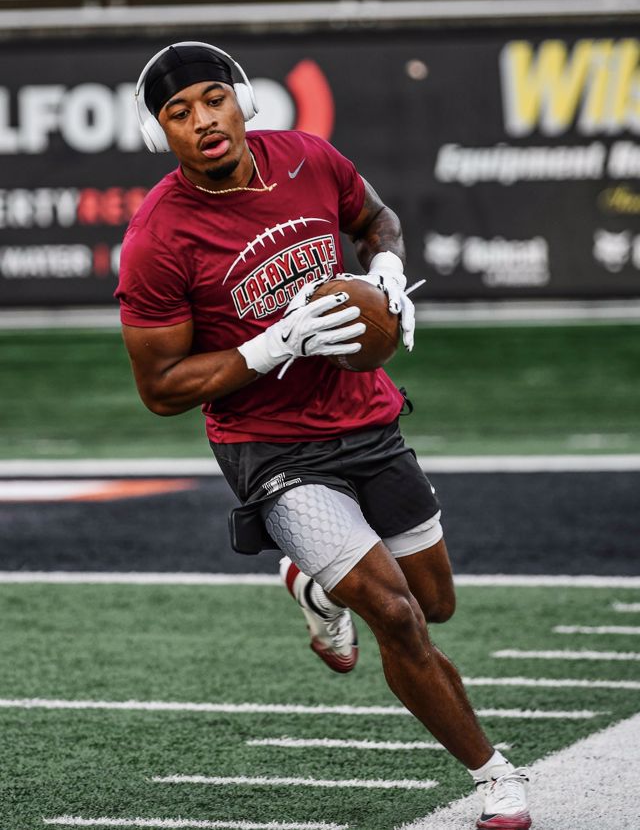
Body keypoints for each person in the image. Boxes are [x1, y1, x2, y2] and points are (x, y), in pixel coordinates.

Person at [115, 41, 532, 830]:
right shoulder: (157, 238)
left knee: (435, 604)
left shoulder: (308, 156)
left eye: (213, 99)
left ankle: (311, 584)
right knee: (397, 617)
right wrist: (272, 344)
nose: (203, 120)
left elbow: (377, 219)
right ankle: (494, 777)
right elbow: (160, 388)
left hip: (365, 417)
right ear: (156, 133)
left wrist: (387, 275)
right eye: (178, 112)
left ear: (244, 101)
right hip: (269, 447)